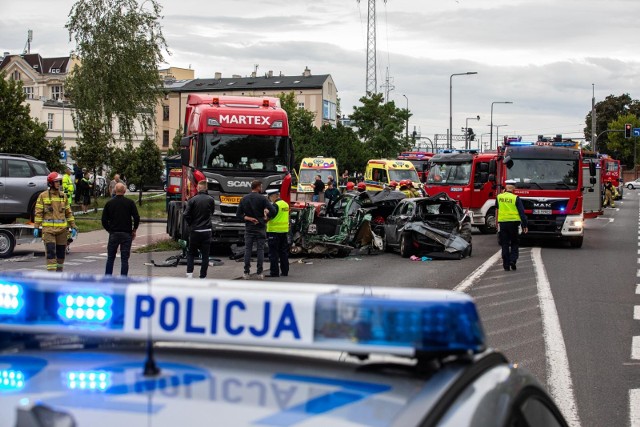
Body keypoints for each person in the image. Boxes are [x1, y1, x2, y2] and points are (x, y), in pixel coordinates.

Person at [33, 172, 77, 272]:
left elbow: (68, 213)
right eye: (56, 181)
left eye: (59, 181)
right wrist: (36, 227)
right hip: (49, 231)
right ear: (51, 183)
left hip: (62, 231)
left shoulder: (63, 196)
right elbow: (38, 213)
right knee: (51, 254)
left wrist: (73, 226)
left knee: (61, 256)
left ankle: (59, 275)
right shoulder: (43, 196)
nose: (59, 183)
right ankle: (52, 276)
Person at [236, 180, 276, 280]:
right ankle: (259, 272)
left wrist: (249, 218)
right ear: (258, 187)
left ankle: (246, 272)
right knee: (260, 249)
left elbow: (238, 215)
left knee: (248, 249)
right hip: (260, 226)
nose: (262, 188)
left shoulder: (244, 199)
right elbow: (273, 210)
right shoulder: (262, 199)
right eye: (261, 186)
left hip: (249, 227)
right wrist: (266, 218)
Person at [101, 183, 140, 276]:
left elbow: (103, 220)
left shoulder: (109, 203)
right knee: (124, 259)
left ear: (115, 191)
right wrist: (134, 230)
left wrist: (109, 230)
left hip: (114, 233)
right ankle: (123, 279)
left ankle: (108, 278)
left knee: (110, 258)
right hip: (126, 234)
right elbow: (136, 217)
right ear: (124, 191)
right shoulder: (130, 203)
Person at [183, 180, 215, 279]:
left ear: (198, 188)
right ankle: (203, 276)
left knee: (191, 253)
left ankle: (189, 274)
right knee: (205, 255)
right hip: (206, 230)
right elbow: (212, 212)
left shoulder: (192, 200)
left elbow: (185, 214)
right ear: (206, 188)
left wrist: (191, 224)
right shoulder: (211, 199)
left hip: (195, 230)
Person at [496, 180, 528, 271]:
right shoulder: (516, 198)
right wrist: (524, 225)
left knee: (504, 243)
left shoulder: (499, 197)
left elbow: (497, 208)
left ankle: (506, 265)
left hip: (502, 223)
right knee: (514, 242)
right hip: (514, 223)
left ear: (505, 187)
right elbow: (522, 213)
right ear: (514, 188)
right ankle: (513, 260)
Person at [265, 189, 290, 278]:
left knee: (273, 253)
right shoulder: (285, 204)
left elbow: (268, 217)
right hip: (284, 231)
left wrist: (265, 213)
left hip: (274, 232)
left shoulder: (275, 205)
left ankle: (274, 272)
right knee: (283, 252)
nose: (269, 199)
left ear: (273, 196)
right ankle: (285, 271)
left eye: (269, 197)